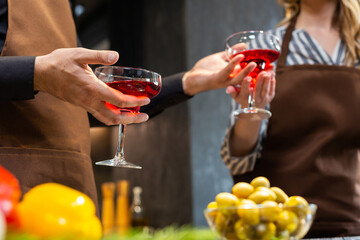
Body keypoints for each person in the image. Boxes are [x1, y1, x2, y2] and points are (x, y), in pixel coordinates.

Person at [0, 0, 256, 209]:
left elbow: (79, 104)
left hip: (73, 191)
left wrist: (189, 82)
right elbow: (44, 79)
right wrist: (37, 72)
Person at [221, 0, 360, 237]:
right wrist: (251, 110)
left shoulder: (355, 49)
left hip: (351, 224)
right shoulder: (265, 47)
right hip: (277, 226)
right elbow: (240, 158)